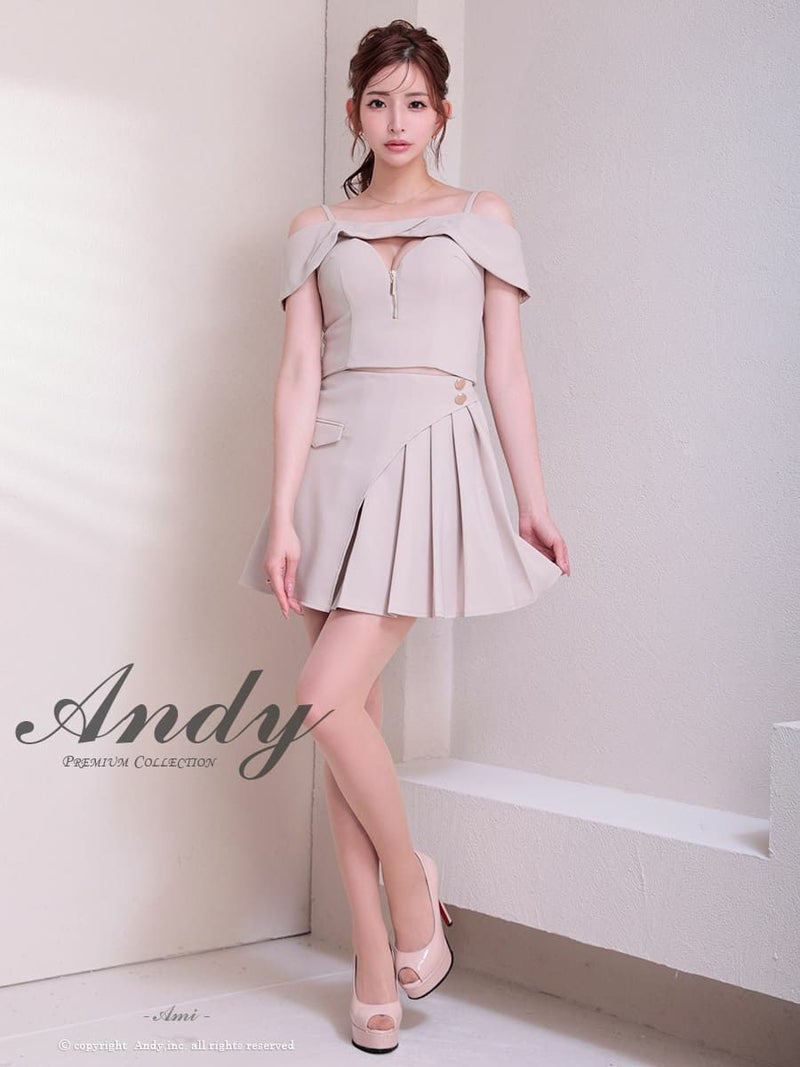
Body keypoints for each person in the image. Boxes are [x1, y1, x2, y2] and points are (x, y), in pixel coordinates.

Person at [239, 18, 571, 1055]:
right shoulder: (314, 227)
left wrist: (531, 497)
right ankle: (374, 960)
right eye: (378, 101)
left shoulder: (481, 217)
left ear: (441, 112)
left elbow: (506, 369)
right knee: (351, 728)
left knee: (322, 702)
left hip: (431, 461)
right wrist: (282, 507)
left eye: (414, 102)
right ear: (354, 112)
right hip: (330, 470)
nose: (396, 120)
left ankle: (410, 884)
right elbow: (299, 373)